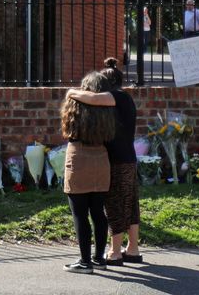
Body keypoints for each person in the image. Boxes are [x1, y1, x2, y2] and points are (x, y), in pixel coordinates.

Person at [66, 58, 142, 266]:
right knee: (131, 204)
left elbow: (93, 98)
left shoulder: (117, 97)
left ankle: (115, 252)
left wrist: (71, 93)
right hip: (128, 159)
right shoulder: (124, 100)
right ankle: (133, 249)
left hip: (117, 161)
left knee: (115, 206)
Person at [60, 71, 116, 274]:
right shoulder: (109, 109)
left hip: (78, 157)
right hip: (101, 158)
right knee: (98, 212)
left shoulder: (76, 103)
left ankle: (84, 261)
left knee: (79, 214)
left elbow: (68, 129)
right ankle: (99, 257)